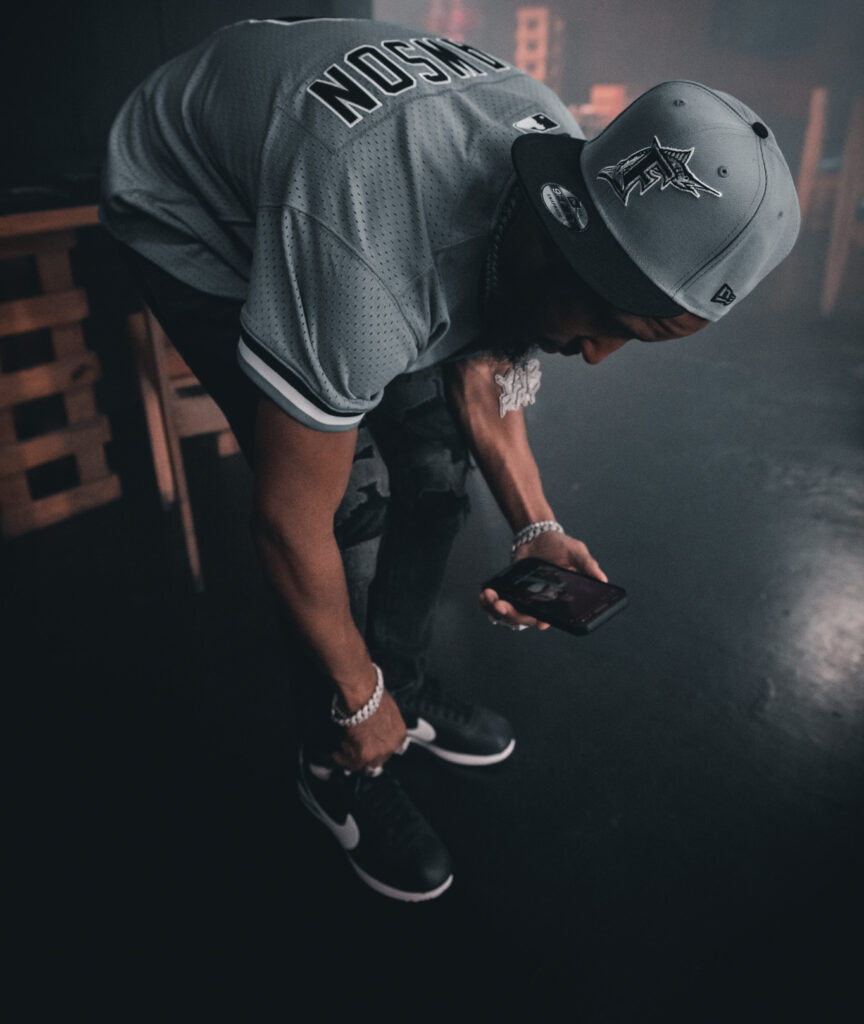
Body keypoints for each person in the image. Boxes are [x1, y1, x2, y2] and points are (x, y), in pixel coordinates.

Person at [100, 16, 800, 902]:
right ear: (567, 237)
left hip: (339, 189)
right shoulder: (367, 266)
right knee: (349, 505)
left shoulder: (569, 167)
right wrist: (355, 697)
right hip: (185, 198)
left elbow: (489, 350)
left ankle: (402, 684)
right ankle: (337, 760)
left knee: (434, 469)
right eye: (611, 323)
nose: (596, 357)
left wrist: (535, 526)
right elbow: (286, 521)